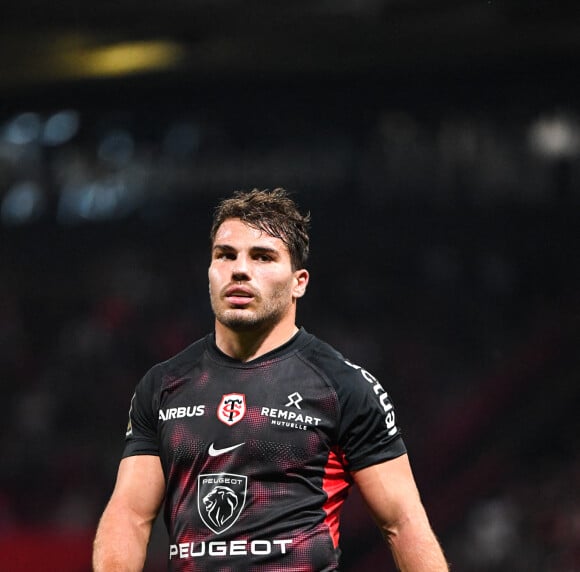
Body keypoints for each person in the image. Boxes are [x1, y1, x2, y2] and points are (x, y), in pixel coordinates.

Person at [93, 188, 448, 571]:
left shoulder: (343, 388)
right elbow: (128, 516)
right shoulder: (162, 385)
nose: (240, 269)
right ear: (210, 271)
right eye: (225, 255)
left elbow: (403, 523)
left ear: (299, 282)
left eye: (262, 257)